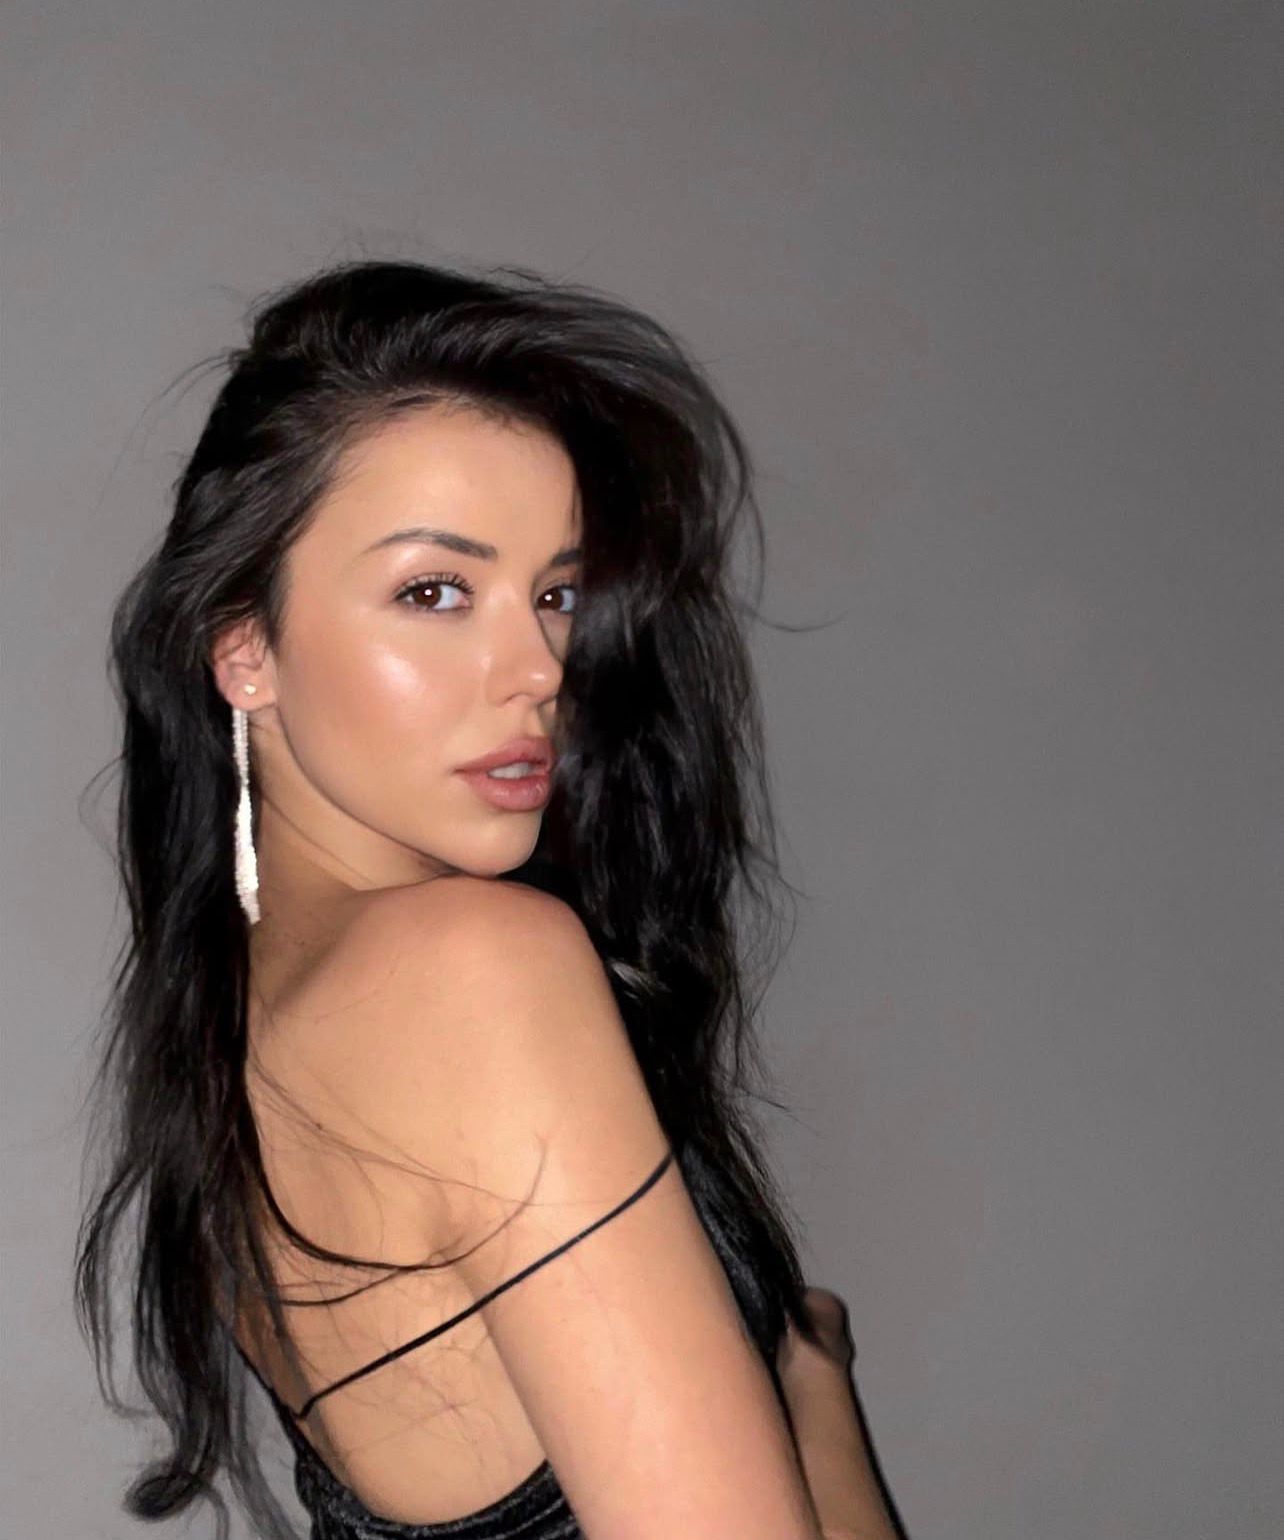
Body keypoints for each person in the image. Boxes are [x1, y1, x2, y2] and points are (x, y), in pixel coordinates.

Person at [75, 259, 902, 1539]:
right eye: (436, 591)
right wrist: (814, 1386)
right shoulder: (472, 964)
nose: (538, 669)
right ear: (245, 646)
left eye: (557, 594)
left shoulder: (241, 1031)